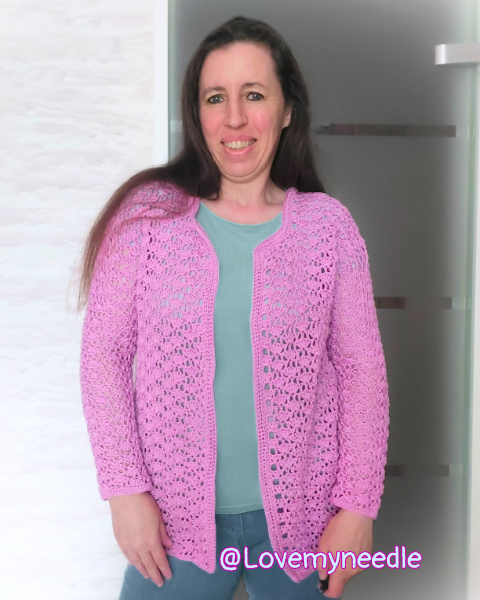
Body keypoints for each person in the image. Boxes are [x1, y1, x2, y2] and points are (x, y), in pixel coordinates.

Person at [77, 15, 389, 600]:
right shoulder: (147, 219)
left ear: (287, 109)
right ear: (197, 113)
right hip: (171, 528)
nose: (235, 119)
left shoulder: (328, 229)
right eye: (216, 98)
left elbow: (361, 371)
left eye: (255, 95)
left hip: (303, 525)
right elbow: (104, 356)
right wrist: (124, 492)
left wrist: (356, 508)